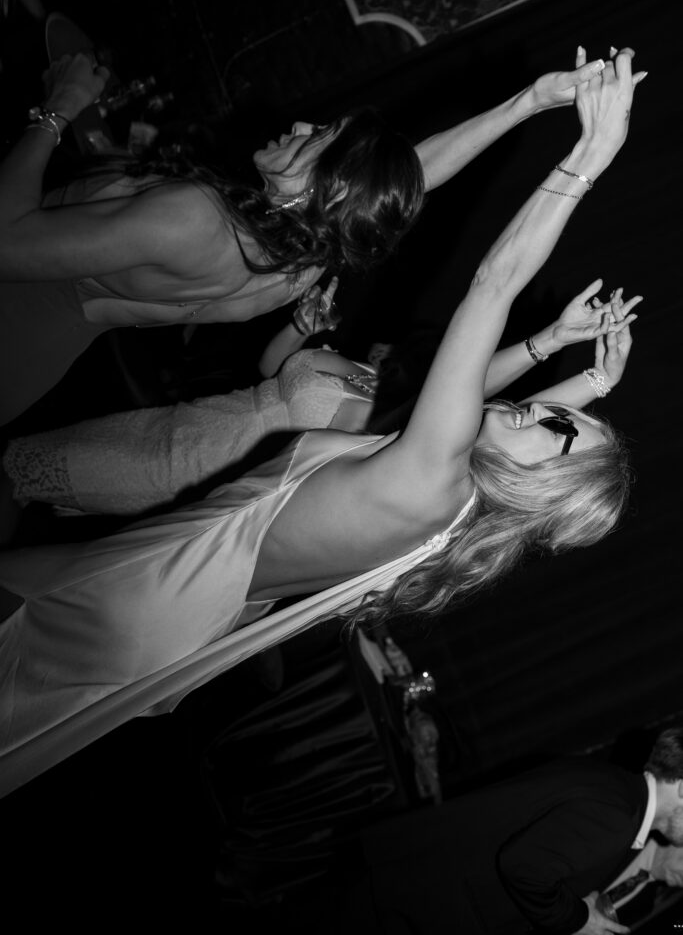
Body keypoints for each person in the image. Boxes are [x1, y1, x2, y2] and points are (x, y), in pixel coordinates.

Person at [0, 46, 644, 795]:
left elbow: (491, 284)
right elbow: (474, 391)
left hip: (141, 596)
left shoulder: (428, 480)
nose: (555, 411)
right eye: (572, 415)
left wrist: (587, 158)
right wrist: (588, 378)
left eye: (564, 428)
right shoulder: (447, 501)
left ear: (542, 483)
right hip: (168, 615)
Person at [0, 49, 610, 425]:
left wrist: (58, 110)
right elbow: (411, 177)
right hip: (38, 361)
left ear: (332, 189)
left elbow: (8, 244)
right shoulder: (295, 267)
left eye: (319, 134)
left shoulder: (198, 217)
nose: (297, 123)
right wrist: (527, 102)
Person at [0, 277, 639, 519]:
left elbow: (496, 418)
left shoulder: (414, 432)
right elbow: (268, 374)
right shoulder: (385, 384)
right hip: (182, 423)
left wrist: (567, 356)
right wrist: (300, 330)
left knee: (16, 475)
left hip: (184, 477)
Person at [323, 727, 683, 935]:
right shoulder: (617, 816)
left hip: (407, 884)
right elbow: (524, 869)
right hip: (415, 906)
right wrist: (578, 918)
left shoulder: (615, 789)